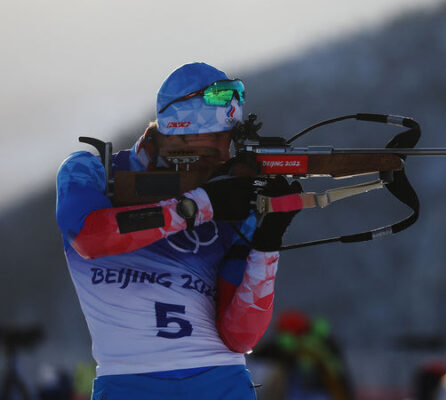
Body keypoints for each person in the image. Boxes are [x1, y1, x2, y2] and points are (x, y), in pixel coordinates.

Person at [56, 62, 301, 399]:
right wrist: (198, 206)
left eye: (228, 139)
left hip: (222, 380)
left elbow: (240, 336)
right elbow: (89, 236)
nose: (224, 152)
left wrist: (267, 243)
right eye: (214, 139)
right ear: (179, 132)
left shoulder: (230, 195)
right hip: (129, 381)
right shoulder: (93, 170)